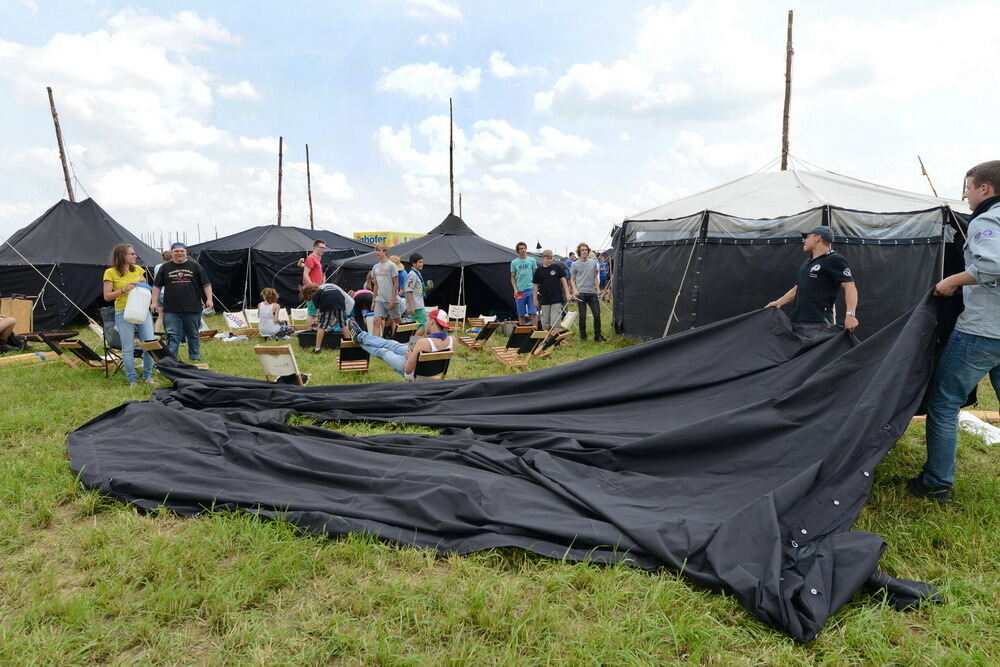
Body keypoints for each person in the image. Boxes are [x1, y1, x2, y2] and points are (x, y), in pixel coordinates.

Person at [906, 160, 1000, 503]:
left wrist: (951, 281)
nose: (966, 195)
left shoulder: (987, 219)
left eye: (968, 188)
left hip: (981, 331)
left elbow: (993, 265)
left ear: (985, 189)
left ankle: (936, 483)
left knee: (943, 403)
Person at [764, 226, 859, 342]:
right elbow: (797, 289)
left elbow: (850, 287)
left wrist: (850, 315)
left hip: (818, 324)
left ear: (818, 237)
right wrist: (778, 303)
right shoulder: (807, 263)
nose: (803, 240)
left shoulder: (835, 259)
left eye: (807, 237)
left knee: (818, 359)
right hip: (797, 322)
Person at [346, 307, 454, 380]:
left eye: (427, 320)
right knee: (393, 344)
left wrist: (411, 357)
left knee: (384, 351)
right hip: (432, 373)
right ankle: (360, 336)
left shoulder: (423, 343)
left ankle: (359, 337)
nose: (426, 324)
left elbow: (408, 369)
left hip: (414, 374)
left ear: (432, 322)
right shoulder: (452, 341)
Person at [103, 243, 156, 387]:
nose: (135, 256)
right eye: (131, 254)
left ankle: (147, 377)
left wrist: (144, 283)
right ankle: (132, 380)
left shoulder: (138, 269)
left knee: (149, 344)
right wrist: (123, 290)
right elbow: (107, 296)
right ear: (122, 256)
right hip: (124, 312)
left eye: (134, 253)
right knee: (128, 347)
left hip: (142, 310)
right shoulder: (110, 272)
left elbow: (144, 289)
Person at [151, 242, 213, 363]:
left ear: (186, 252)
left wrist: (209, 299)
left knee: (193, 334)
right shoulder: (165, 268)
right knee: (173, 335)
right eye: (176, 251)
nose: (179, 253)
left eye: (182, 251)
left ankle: (195, 357)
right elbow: (156, 286)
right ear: (172, 252)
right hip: (171, 309)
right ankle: (171, 360)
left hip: (193, 307)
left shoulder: (195, 266)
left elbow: (206, 284)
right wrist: (154, 302)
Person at [299, 283, 354, 354]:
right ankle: (348, 346)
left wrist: (317, 320)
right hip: (340, 298)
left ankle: (317, 349)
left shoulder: (315, 296)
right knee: (344, 324)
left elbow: (319, 312)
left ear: (309, 294)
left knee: (321, 326)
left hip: (327, 301)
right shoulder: (323, 289)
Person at [570, 242, 606, 342]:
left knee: (597, 314)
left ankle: (597, 336)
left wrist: (598, 288)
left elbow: (595, 277)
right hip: (580, 293)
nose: (585, 251)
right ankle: (583, 336)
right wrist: (575, 290)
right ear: (579, 252)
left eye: (586, 250)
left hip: (592, 292)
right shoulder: (575, 264)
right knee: (582, 315)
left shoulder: (593, 263)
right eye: (582, 250)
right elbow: (572, 279)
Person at [533, 249, 571, 330]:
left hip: (557, 299)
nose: (549, 260)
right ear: (543, 258)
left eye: (551, 258)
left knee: (555, 322)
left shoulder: (556, 267)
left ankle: (556, 341)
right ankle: (548, 341)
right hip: (545, 300)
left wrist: (567, 293)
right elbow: (535, 285)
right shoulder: (539, 271)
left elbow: (564, 280)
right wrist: (535, 299)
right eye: (547, 258)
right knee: (545, 323)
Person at [371, 243, 398, 337]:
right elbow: (376, 285)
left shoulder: (391, 265)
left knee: (397, 321)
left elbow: (396, 283)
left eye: (379, 250)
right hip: (380, 299)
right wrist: (373, 300)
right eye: (376, 250)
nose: (377, 253)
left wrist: (393, 299)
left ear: (385, 252)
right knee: (376, 321)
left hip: (391, 299)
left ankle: (401, 341)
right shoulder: (375, 267)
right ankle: (375, 345)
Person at [510, 241, 538, 327]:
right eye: (521, 248)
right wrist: (515, 290)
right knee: (521, 315)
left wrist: (535, 289)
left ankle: (535, 332)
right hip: (519, 292)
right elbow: (512, 277)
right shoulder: (514, 262)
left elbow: (535, 275)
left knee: (533, 313)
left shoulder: (532, 260)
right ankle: (522, 333)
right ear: (518, 251)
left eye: (524, 248)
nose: (523, 250)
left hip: (530, 290)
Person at [302, 239, 328, 327]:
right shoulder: (311, 258)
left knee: (316, 311)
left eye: (324, 248)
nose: (323, 250)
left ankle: (313, 330)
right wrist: (312, 287)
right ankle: (309, 331)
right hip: (311, 289)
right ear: (315, 247)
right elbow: (305, 274)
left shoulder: (317, 259)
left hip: (316, 288)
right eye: (321, 248)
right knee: (312, 312)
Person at [405, 253, 429, 335]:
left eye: (422, 262)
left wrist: (427, 288)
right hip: (416, 305)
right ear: (413, 263)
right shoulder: (412, 275)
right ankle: (413, 344)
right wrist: (412, 307)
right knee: (423, 325)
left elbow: (417, 290)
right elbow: (408, 291)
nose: (422, 264)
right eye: (419, 262)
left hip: (418, 303)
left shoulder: (417, 273)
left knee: (416, 325)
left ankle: (411, 344)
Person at [152, 250, 171, 333]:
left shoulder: (157, 266)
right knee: (171, 316)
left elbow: (156, 281)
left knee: (160, 316)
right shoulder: (171, 266)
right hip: (168, 293)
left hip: (159, 293)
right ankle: (170, 334)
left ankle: (157, 333)